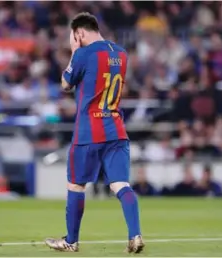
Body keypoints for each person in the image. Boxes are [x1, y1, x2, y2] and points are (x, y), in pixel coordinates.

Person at [45, 13, 144, 253]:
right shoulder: (121, 53)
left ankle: (71, 241)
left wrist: (73, 52)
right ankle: (136, 235)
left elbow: (66, 84)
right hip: (116, 129)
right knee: (120, 184)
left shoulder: (84, 53)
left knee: (76, 186)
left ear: (79, 33)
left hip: (89, 131)